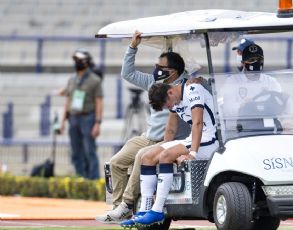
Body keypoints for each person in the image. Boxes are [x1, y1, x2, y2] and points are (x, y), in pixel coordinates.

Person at [95, 31, 196, 224]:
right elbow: (127, 73)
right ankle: (119, 208)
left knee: (141, 157)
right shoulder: (154, 82)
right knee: (116, 162)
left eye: (160, 66)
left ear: (173, 71)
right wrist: (133, 47)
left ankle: (127, 204)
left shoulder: (185, 85)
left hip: (167, 140)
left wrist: (196, 79)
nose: (156, 69)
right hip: (148, 136)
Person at [129, 81, 218, 227]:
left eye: (167, 104)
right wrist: (165, 147)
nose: (169, 107)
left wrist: (192, 154)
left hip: (210, 138)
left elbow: (198, 123)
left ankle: (157, 210)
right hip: (193, 138)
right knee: (148, 157)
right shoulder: (175, 97)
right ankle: (145, 210)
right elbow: (170, 129)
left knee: (165, 156)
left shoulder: (193, 90)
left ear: (170, 92)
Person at [60, 50, 103, 179]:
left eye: (80, 60)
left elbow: (99, 102)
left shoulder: (95, 80)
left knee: (90, 151)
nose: (77, 63)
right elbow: (68, 100)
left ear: (86, 62)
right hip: (73, 118)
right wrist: (62, 121)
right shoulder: (72, 80)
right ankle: (81, 178)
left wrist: (97, 123)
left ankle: (93, 180)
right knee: (75, 152)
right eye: (76, 61)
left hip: (88, 118)